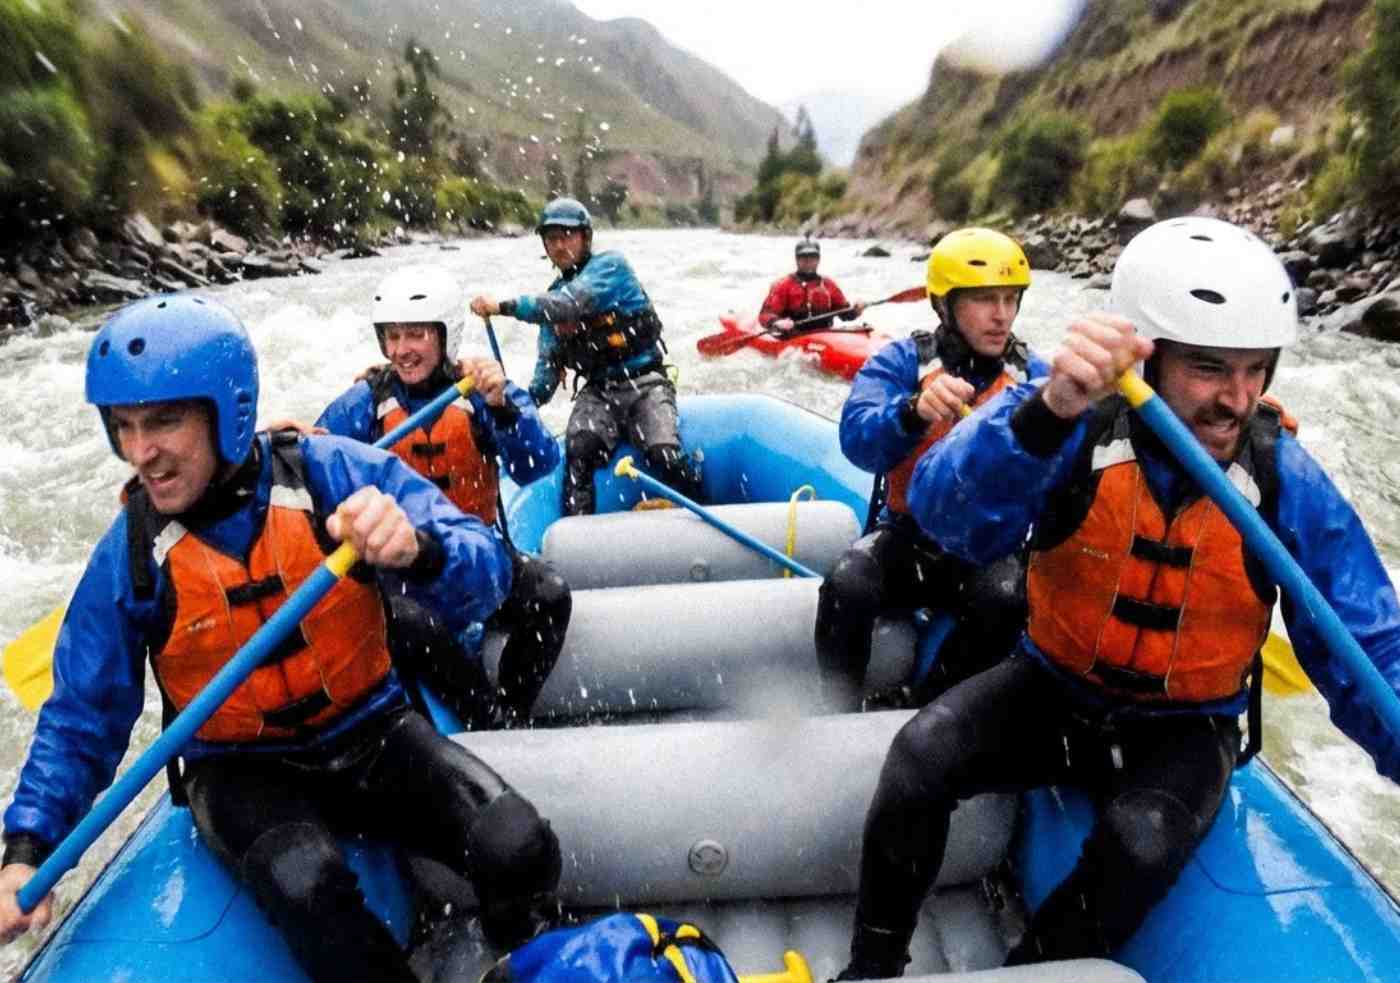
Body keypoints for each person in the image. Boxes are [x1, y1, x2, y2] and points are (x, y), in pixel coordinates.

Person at [837, 216, 1400, 977]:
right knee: (917, 758)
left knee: (1139, 841)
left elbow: (1369, 643)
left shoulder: (1281, 476)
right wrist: (1043, 414)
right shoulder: (1071, 423)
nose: (1238, 399)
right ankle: (872, 966)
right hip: (1055, 686)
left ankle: (1033, 963)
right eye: (1210, 369)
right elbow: (948, 514)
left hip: (1186, 729)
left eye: (1256, 369)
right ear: (1147, 353)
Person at [0, 296, 562, 982]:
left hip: (372, 733)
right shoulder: (133, 555)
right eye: (124, 426)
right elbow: (81, 719)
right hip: (241, 772)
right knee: (307, 884)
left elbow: (485, 568)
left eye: (165, 422)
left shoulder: (327, 472)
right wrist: (26, 846)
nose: (141, 452)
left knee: (519, 845)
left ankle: (518, 959)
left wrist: (418, 549)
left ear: (227, 413)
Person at [317, 264, 571, 729]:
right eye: (391, 336)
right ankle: (487, 720)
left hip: (475, 560)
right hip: (400, 574)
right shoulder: (364, 402)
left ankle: (514, 709)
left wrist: (503, 407)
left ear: (445, 335)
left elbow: (537, 465)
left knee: (550, 596)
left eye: (415, 335)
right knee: (412, 623)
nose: (400, 350)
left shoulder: (479, 392)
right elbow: (312, 462)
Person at [815, 228, 1047, 712]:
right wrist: (911, 411)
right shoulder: (905, 362)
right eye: (985, 299)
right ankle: (835, 712)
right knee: (847, 583)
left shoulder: (1033, 376)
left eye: (1010, 299)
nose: (1001, 314)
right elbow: (857, 439)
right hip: (909, 540)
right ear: (945, 305)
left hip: (989, 550)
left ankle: (925, 706)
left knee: (1008, 598)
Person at [469, 197, 700, 516]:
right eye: (552, 238)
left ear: (585, 238)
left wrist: (504, 307)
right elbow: (544, 380)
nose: (560, 245)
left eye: (568, 235)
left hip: (645, 382)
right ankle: (577, 536)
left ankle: (697, 505)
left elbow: (570, 304)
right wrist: (504, 408)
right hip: (599, 392)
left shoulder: (610, 268)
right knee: (579, 450)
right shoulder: (551, 301)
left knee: (663, 452)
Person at [758, 238, 865, 335]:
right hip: (792, 335)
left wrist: (856, 311)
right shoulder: (783, 285)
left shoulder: (828, 285)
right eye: (803, 257)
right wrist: (776, 322)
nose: (808, 261)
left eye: (812, 257)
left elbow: (844, 313)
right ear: (797, 259)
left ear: (818, 259)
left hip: (824, 335)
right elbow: (765, 314)